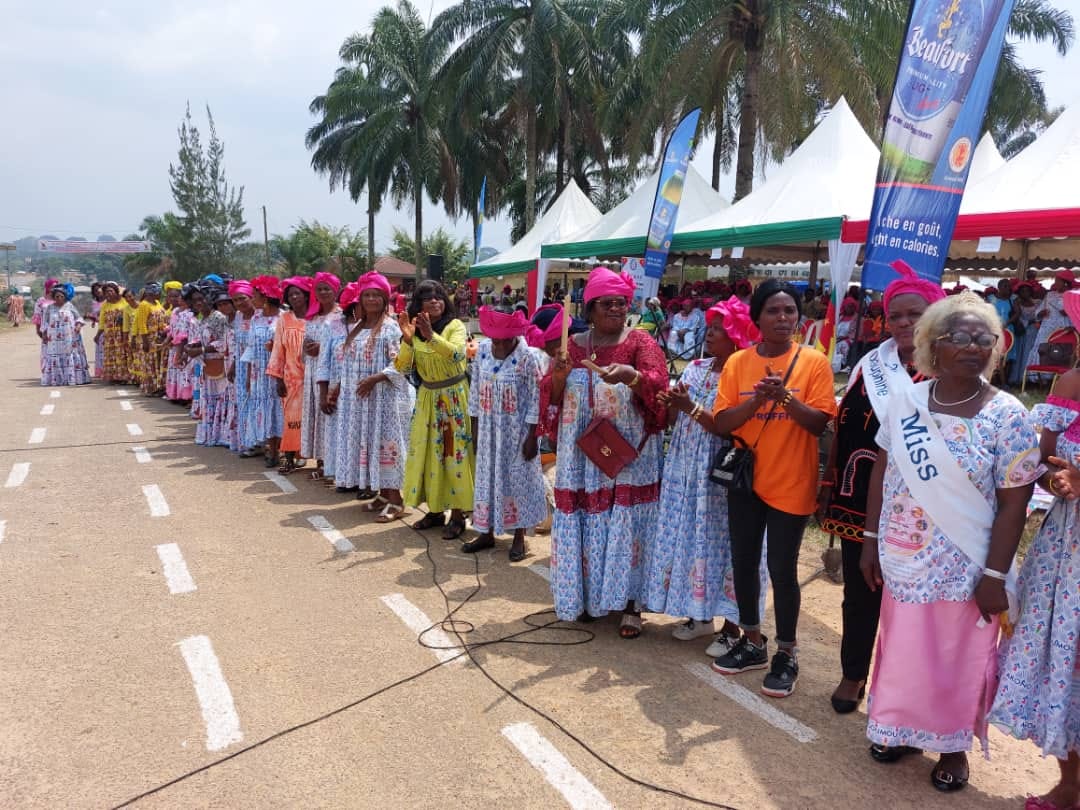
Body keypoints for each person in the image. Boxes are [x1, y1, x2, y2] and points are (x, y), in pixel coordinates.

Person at [860, 291, 1041, 792]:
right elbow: (883, 469)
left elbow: (1014, 504)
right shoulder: (907, 401)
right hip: (903, 555)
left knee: (958, 655)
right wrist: (869, 541)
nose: (971, 346)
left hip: (968, 563)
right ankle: (899, 728)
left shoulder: (1008, 416)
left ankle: (953, 745)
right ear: (931, 346)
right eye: (958, 337)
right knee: (904, 648)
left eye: (983, 338)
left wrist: (995, 575)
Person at [818, 261, 944, 714]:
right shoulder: (871, 364)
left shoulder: (951, 369)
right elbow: (842, 424)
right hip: (858, 498)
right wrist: (828, 484)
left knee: (912, 601)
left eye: (916, 314)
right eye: (897, 315)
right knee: (860, 590)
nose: (905, 323)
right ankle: (853, 674)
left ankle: (900, 691)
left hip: (923, 506)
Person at [710, 279, 836, 698]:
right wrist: (758, 402)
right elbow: (723, 423)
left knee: (782, 570)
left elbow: (819, 424)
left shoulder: (814, 363)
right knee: (744, 563)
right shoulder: (738, 363)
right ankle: (752, 640)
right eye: (774, 311)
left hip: (792, 482)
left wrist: (784, 398)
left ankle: (787, 652)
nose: (783, 319)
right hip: (746, 481)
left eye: (790, 311)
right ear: (757, 317)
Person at [541, 267, 668, 638]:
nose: (615, 309)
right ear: (591, 308)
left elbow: (660, 388)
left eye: (621, 303)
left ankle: (631, 604)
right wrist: (561, 374)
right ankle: (589, 596)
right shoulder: (573, 344)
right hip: (583, 455)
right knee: (586, 519)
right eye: (607, 303)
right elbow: (550, 395)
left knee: (626, 523)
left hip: (627, 455)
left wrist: (632, 375)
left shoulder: (641, 344)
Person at [990, 290, 1080, 810]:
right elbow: (1044, 458)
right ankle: (1069, 785)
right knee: (1066, 660)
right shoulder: (1070, 384)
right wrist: (1061, 474)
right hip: (1065, 550)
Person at [643, 295, 764, 653]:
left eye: (719, 328)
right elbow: (680, 417)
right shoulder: (696, 367)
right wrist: (674, 403)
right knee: (693, 539)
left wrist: (689, 407)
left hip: (720, 471)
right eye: (709, 327)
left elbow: (729, 427)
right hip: (686, 468)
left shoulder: (743, 373)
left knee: (724, 543)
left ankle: (731, 626)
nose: (710, 334)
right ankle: (700, 615)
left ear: (739, 336)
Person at [396, 280, 475, 540]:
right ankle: (434, 510)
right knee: (429, 455)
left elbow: (457, 356)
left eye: (439, 297)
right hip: (427, 398)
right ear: (418, 305)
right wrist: (409, 341)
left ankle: (458, 514)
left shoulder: (456, 326)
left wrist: (431, 336)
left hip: (453, 399)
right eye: (427, 298)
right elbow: (403, 367)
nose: (434, 301)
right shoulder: (414, 332)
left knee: (454, 455)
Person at [466, 306, 546, 561]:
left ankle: (519, 536)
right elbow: (475, 391)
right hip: (489, 430)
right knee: (487, 478)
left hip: (518, 432)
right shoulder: (482, 353)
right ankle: (486, 531)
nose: (499, 343)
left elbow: (537, 398)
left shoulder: (528, 358)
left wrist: (533, 436)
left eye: (504, 338)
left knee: (518, 480)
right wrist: (476, 429)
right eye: (495, 338)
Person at [328, 271, 411, 519]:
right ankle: (383, 494)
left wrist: (376, 378)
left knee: (387, 445)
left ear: (385, 300)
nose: (372, 300)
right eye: (367, 295)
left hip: (385, 399)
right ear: (360, 299)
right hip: (360, 400)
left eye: (377, 295)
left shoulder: (390, 328)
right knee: (372, 445)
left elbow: (402, 364)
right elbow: (348, 363)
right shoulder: (357, 328)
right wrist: (339, 386)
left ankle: (396, 500)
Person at [267, 278, 311, 474]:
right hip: (291, 378)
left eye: (298, 293)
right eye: (291, 294)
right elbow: (278, 349)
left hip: (313, 378)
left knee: (313, 418)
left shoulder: (315, 318)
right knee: (291, 419)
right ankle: (291, 457)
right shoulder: (284, 319)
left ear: (306, 295)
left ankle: (311, 457)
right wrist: (278, 379)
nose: (294, 297)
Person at [301, 271, 342, 479]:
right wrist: (308, 347)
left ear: (336, 290)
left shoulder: (342, 316)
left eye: (327, 288)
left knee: (330, 414)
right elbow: (305, 341)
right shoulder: (313, 317)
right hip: (312, 372)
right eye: (319, 289)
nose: (323, 292)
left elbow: (344, 345)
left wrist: (323, 348)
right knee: (316, 415)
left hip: (332, 373)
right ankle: (320, 460)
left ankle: (332, 462)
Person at [243, 276, 285, 468]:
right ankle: (270, 448)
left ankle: (279, 448)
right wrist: (249, 376)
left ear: (266, 298)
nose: (252, 299)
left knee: (277, 409)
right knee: (263, 409)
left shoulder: (284, 318)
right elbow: (251, 348)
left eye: (255, 295)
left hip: (278, 373)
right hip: (259, 374)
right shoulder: (256, 319)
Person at [190, 288, 234, 448]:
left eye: (201, 299)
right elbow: (204, 339)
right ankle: (212, 434)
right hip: (206, 365)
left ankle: (222, 434)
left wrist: (201, 349)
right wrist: (193, 347)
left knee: (221, 399)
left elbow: (224, 342)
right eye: (195, 301)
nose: (199, 303)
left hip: (219, 365)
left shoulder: (218, 318)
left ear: (209, 300)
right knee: (209, 400)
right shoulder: (203, 318)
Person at [1026, 269, 1078, 383]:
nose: (1055, 283)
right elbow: (1037, 313)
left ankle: (1058, 380)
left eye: (1058, 281)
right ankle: (1039, 379)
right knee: (1043, 350)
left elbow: (1078, 315)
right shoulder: (1049, 295)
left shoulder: (1074, 296)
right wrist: (1041, 313)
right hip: (1047, 328)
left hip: (1064, 330)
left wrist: (1069, 313)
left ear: (1065, 282)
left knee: (1060, 353)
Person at [228, 280, 259, 455]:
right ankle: (248, 442)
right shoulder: (238, 317)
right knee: (244, 402)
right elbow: (238, 344)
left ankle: (260, 440)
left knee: (256, 401)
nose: (240, 303)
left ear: (251, 297)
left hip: (256, 366)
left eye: (242, 298)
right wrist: (233, 365)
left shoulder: (260, 316)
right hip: (241, 367)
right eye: (236, 300)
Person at [40, 283, 91, 386]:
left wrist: (78, 326)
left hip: (69, 337)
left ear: (65, 297)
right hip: (54, 339)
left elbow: (78, 318)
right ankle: (57, 380)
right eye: (57, 296)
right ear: (53, 297)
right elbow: (45, 322)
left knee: (70, 355)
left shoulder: (69, 306)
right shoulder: (49, 308)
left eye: (61, 296)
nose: (59, 298)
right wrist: (44, 334)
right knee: (55, 356)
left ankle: (73, 378)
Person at [132, 283, 167, 397]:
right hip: (150, 338)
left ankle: (159, 386)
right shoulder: (144, 305)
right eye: (159, 292)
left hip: (160, 337)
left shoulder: (157, 303)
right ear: (153, 292)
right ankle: (151, 387)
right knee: (150, 363)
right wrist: (145, 341)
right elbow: (142, 323)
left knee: (158, 362)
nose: (160, 295)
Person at [165, 284, 196, 403]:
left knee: (186, 372)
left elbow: (183, 336)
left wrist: (179, 352)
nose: (177, 299)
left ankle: (186, 397)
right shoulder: (175, 311)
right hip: (176, 346)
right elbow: (174, 330)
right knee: (178, 372)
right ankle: (176, 394)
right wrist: (167, 340)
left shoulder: (188, 314)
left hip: (185, 347)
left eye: (178, 296)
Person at [1012, 281, 1043, 386]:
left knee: (1031, 353)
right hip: (1023, 331)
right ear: (1019, 292)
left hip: (1034, 331)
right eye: (1023, 291)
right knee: (1021, 354)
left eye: (1027, 291)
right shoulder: (1017, 303)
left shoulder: (1038, 302)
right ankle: (1019, 378)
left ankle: (1031, 378)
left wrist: (1037, 320)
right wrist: (1029, 322)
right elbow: (1018, 317)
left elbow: (1041, 316)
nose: (1025, 293)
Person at [97, 282, 128, 384]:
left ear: (116, 292)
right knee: (111, 355)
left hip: (121, 333)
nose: (108, 294)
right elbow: (101, 321)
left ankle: (123, 377)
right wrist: (98, 335)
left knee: (122, 354)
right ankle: (113, 376)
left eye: (110, 291)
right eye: (106, 292)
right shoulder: (105, 305)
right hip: (109, 334)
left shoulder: (124, 302)